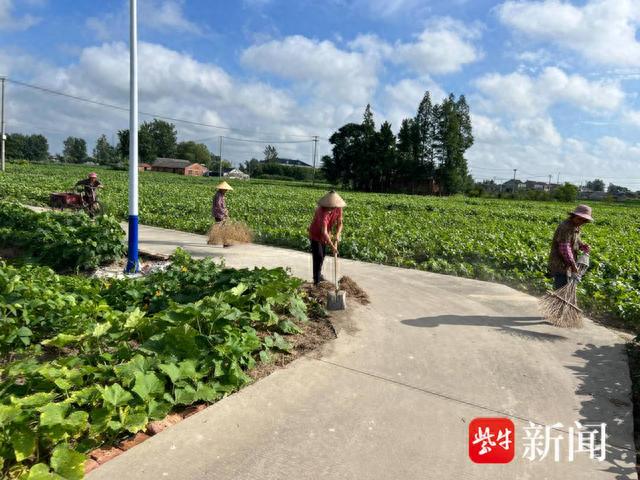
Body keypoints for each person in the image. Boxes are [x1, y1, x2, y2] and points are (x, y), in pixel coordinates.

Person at [548, 204, 592, 290]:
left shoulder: (575, 226)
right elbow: (564, 247)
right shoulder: (566, 227)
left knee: (566, 287)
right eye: (579, 218)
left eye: (584, 220)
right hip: (561, 263)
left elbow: (575, 240)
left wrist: (582, 246)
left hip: (567, 263)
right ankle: (559, 302)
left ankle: (561, 302)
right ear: (573, 216)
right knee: (562, 287)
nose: (581, 222)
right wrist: (573, 265)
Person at [308, 190, 345, 285]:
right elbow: (323, 231)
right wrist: (333, 246)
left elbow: (340, 223)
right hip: (316, 234)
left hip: (326, 234)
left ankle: (319, 274)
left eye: (333, 207)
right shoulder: (321, 212)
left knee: (322, 255)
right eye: (329, 207)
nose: (331, 208)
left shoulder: (338, 208)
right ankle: (316, 280)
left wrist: (337, 234)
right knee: (318, 256)